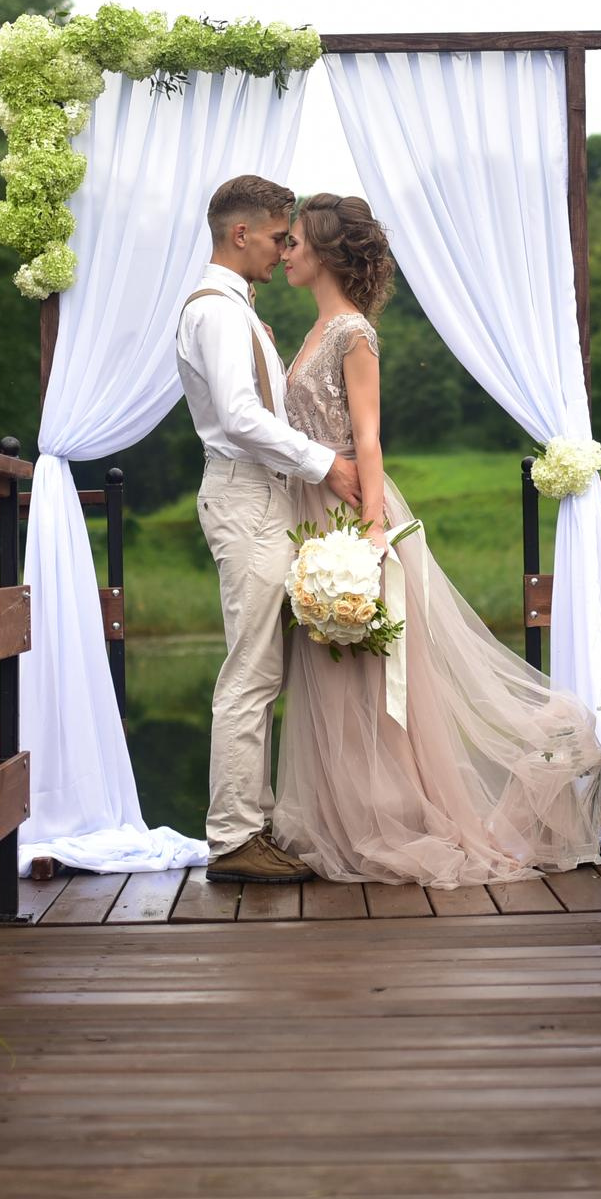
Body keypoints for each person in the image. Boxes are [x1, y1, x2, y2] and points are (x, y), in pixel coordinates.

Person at [270, 193, 601, 885]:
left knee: (372, 677)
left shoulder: (352, 332)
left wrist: (369, 533)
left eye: (296, 240)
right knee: (333, 684)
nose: (286, 250)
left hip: (353, 512)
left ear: (327, 252)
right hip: (311, 513)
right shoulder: (311, 330)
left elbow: (366, 436)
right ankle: (349, 820)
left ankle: (426, 805)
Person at [173, 175, 365, 885]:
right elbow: (239, 419)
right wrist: (327, 465)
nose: (286, 246)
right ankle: (232, 838)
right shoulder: (220, 314)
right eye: (281, 235)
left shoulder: (237, 312)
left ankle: (251, 823)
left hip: (260, 495)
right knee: (250, 672)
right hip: (247, 495)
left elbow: (252, 403)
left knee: (263, 669)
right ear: (241, 233)